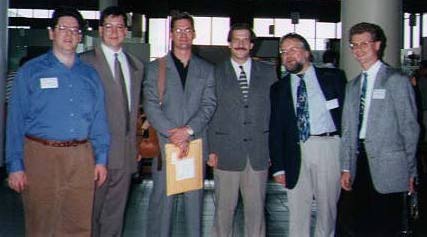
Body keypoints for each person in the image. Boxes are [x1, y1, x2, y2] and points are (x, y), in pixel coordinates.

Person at [6, 7, 110, 237]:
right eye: (62, 28)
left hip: (81, 157)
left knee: (78, 225)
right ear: (51, 33)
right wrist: (15, 165)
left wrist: (101, 159)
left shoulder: (90, 76)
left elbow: (99, 121)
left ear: (80, 36)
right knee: (40, 223)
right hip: (41, 156)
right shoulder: (30, 72)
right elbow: (15, 121)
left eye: (74, 30)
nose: (69, 34)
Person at [339, 22, 419, 236]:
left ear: (377, 45)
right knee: (362, 224)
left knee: (387, 226)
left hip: (390, 167)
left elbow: (410, 129)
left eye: (364, 43)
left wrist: (412, 171)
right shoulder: (353, 85)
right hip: (360, 163)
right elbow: (347, 130)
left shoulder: (397, 80)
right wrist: (346, 167)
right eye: (354, 45)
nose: (358, 49)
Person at [143, 11, 216, 237]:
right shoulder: (157, 68)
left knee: (194, 209)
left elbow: (209, 104)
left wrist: (188, 131)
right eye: (178, 30)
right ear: (171, 34)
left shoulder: (207, 69)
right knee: (161, 208)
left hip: (194, 147)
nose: (183, 35)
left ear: (193, 34)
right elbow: (151, 105)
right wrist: (173, 133)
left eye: (187, 30)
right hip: (167, 148)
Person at [269, 33, 346, 237]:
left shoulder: (333, 78)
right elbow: (275, 129)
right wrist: (278, 167)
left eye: (293, 49)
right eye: (284, 52)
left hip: (327, 146)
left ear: (307, 52)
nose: (288, 55)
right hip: (295, 151)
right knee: (297, 212)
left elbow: (347, 116)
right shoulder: (278, 88)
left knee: (327, 210)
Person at [80, 6, 144, 237]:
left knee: (115, 215)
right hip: (94, 153)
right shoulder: (84, 64)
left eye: (119, 27)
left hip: (125, 154)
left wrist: (136, 143)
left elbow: (133, 109)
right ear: (100, 30)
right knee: (90, 214)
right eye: (109, 26)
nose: (114, 32)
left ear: (126, 31)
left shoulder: (136, 65)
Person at [208, 23, 276, 237]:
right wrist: (209, 150)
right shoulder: (215, 73)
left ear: (252, 44)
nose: (240, 44)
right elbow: (208, 112)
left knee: (256, 212)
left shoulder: (269, 72)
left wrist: (273, 150)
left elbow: (275, 114)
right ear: (229, 44)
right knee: (223, 211)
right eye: (236, 40)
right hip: (224, 152)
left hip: (258, 153)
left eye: (245, 40)